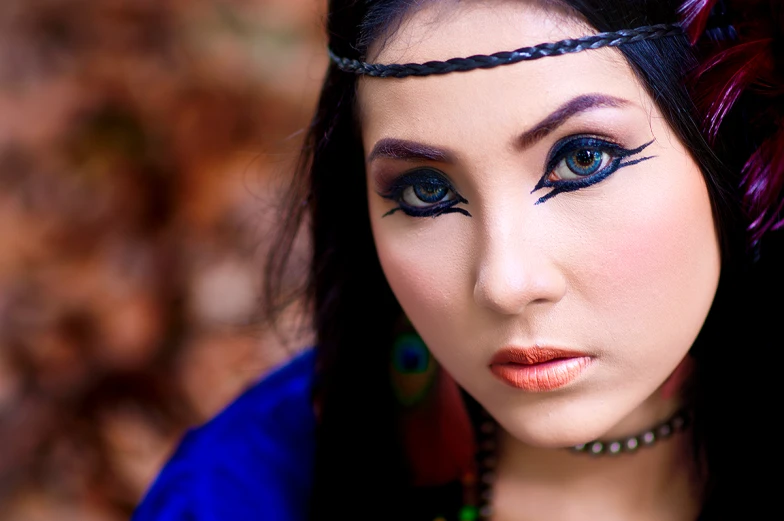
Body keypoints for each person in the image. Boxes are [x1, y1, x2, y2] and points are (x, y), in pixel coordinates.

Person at [131, 0, 784, 519]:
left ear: (734, 141)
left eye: (583, 159)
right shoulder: (236, 497)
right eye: (426, 190)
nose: (504, 282)